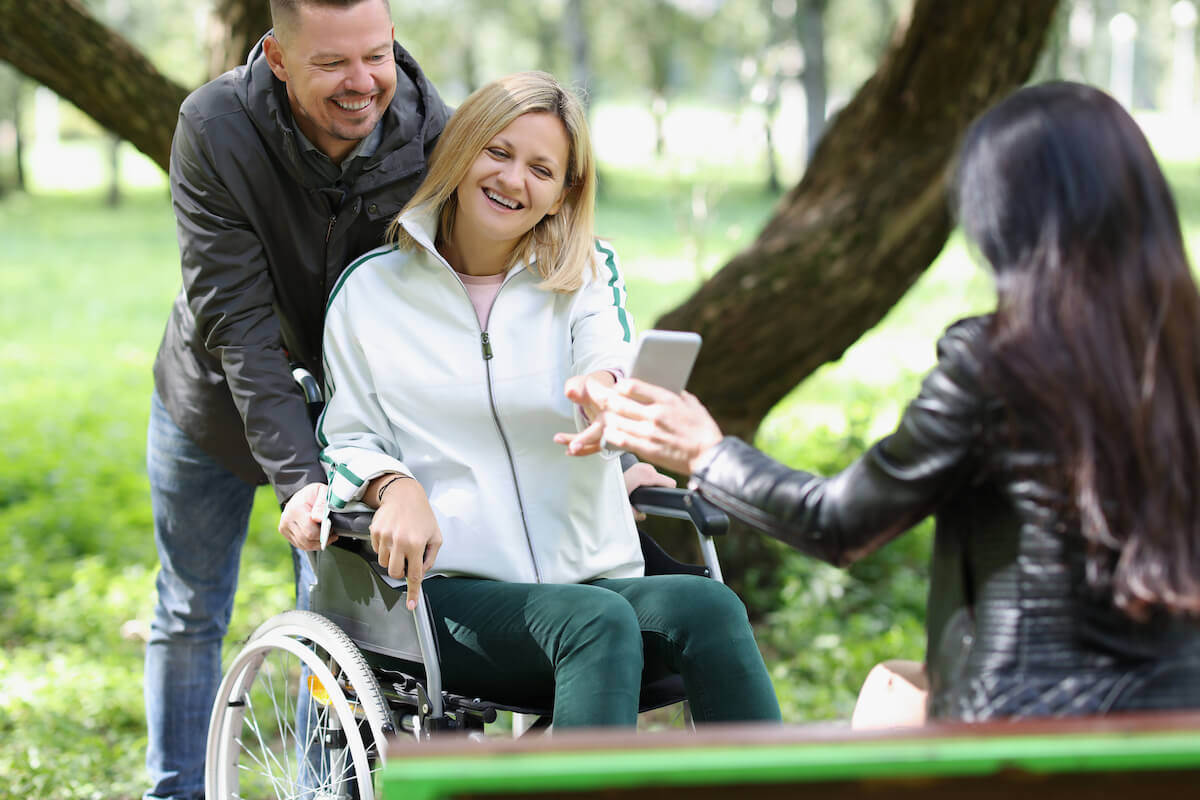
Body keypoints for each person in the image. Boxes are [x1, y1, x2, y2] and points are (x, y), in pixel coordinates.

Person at [561, 81, 1200, 724]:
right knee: (897, 685)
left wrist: (706, 453)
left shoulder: (999, 362)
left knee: (889, 697)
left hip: (1024, 730)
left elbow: (839, 522)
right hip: (1178, 718)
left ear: (1004, 219)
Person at [313, 70, 782, 727]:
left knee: (710, 607)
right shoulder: (371, 292)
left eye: (542, 168)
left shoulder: (584, 273)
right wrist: (393, 487)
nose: (513, 180)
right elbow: (347, 437)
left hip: (590, 576)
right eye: (498, 153)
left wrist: (607, 394)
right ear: (461, 151)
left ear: (565, 192)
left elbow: (606, 357)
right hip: (448, 596)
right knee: (595, 622)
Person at [144, 1, 451, 797]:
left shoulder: (432, 134)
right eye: (332, 65)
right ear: (278, 57)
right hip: (211, 397)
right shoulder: (212, 127)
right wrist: (297, 477)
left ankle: (321, 791)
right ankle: (174, 789)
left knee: (335, 620)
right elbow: (238, 325)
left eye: (376, 56)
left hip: (347, 411)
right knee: (188, 613)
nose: (363, 84)